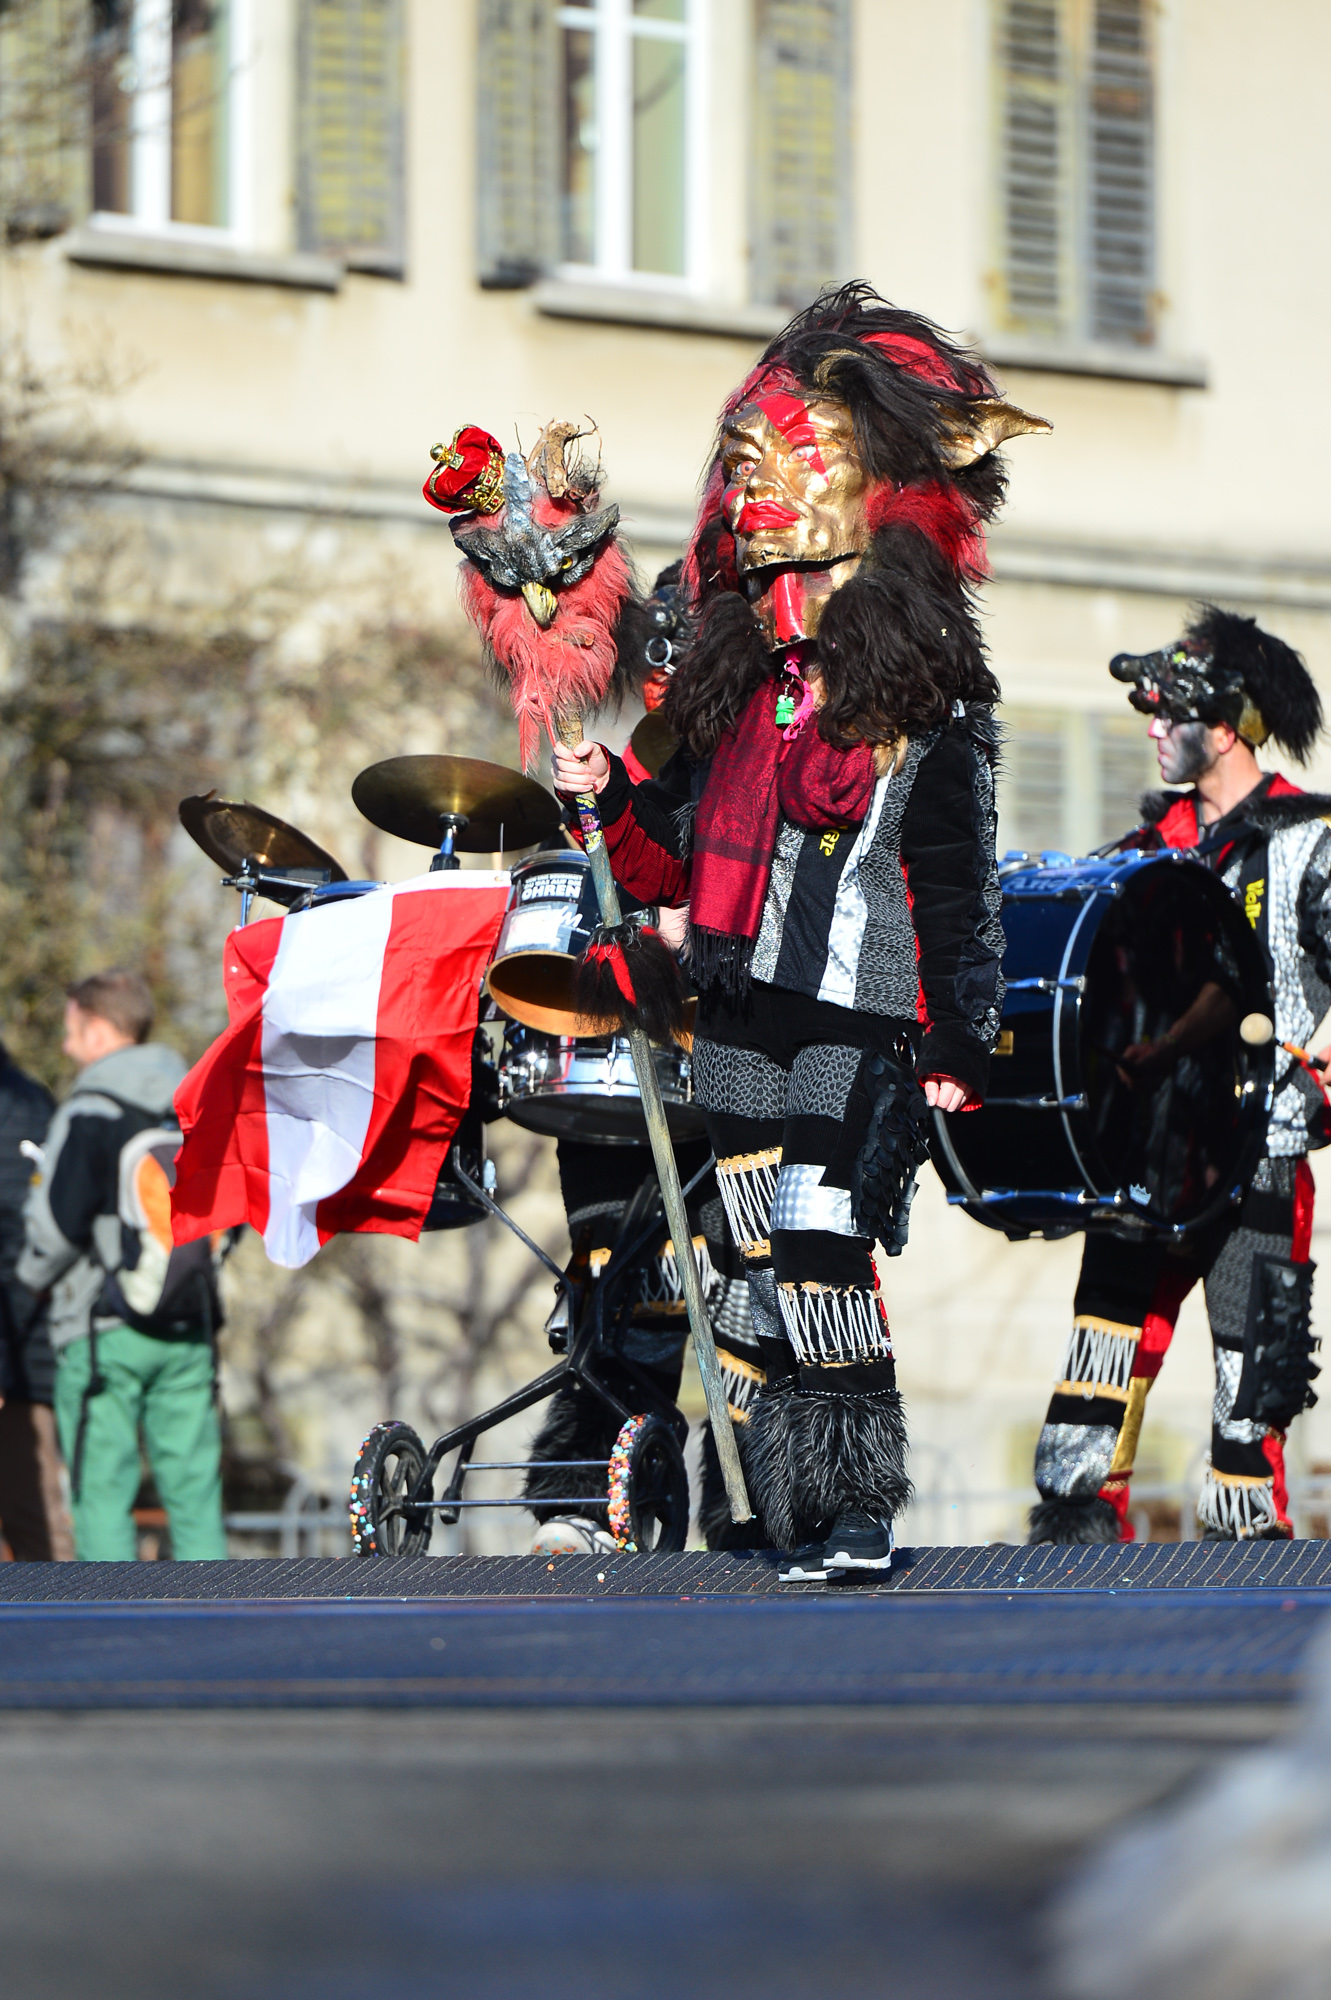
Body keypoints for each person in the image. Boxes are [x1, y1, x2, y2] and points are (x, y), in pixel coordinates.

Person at [552, 284, 1047, 1579]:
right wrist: (604, 805)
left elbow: (954, 880)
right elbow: (667, 848)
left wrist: (960, 1034)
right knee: (748, 1264)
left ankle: (855, 1502)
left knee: (824, 1234)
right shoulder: (736, 697)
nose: (779, 575)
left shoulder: (931, 693)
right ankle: (783, 1500)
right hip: (737, 1013)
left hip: (861, 1010)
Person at [1029, 608, 1328, 1544]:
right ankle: (1069, 1612)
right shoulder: (1137, 852)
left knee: (1250, 1415)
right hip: (1144, 1157)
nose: (1152, 728)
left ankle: (1249, 1644)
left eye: (1169, 712)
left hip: (1262, 1158)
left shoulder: (1311, 843)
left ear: (1228, 722)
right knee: (1087, 1407)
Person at [18, 970, 228, 1561]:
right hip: (190, 1321)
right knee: (195, 1495)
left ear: (100, 1030)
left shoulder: (90, 1108)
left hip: (102, 1327)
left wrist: (29, 1284)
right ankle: (215, 1631)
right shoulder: (194, 1101)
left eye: (72, 1031)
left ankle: (112, 1641)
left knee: (100, 1493)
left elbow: (56, 1226)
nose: (66, 1047)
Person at [0, 1041, 73, 1559]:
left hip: (21, 1352)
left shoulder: (22, 1104)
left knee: (39, 1529)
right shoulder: (38, 1103)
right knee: (40, 1530)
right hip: (33, 1351)